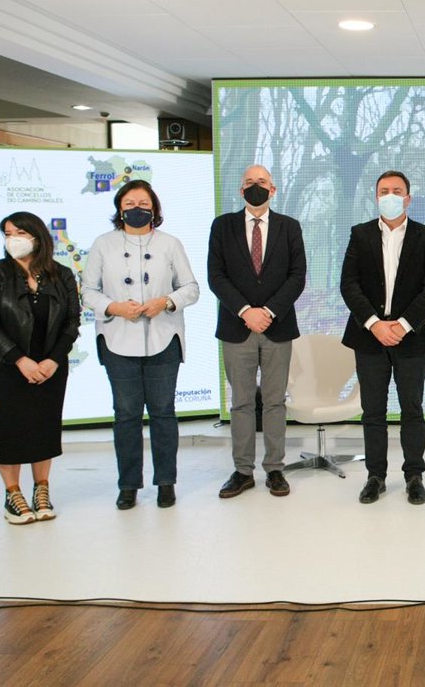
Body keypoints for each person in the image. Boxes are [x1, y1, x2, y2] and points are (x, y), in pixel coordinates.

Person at [82, 180, 200, 510]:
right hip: (117, 341)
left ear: (154, 209)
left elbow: (191, 288)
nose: (137, 209)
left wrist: (166, 301)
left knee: (163, 413)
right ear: (119, 210)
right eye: (130, 204)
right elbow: (88, 291)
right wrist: (113, 307)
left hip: (164, 341)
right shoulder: (103, 244)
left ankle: (166, 482)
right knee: (126, 415)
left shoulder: (170, 243)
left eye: (144, 203)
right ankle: (128, 485)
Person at [340, 170, 425, 505]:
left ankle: (414, 476)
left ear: (408, 198)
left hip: (411, 337)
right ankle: (376, 476)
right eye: (384, 190)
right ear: (376, 197)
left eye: (397, 190)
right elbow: (349, 285)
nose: (390, 196)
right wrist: (375, 324)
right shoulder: (360, 234)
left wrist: (402, 324)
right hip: (369, 336)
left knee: (412, 408)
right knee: (373, 410)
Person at [208, 165, 307, 500]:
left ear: (273, 189)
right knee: (241, 403)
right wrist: (245, 311)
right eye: (249, 182)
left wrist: (267, 312)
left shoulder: (289, 227)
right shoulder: (222, 226)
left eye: (262, 182)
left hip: (278, 327)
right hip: (236, 327)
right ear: (241, 190)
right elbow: (216, 276)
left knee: (275, 402)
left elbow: (297, 276)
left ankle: (275, 469)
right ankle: (242, 471)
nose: (255, 187)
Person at [0, 212, 80, 524]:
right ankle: (13, 494)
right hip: (5, 365)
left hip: (49, 366)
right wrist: (20, 360)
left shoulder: (61, 274)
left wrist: (53, 360)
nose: (13, 239)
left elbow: (72, 322)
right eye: (7, 234)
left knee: (44, 428)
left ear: (37, 237)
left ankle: (41, 490)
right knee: (9, 430)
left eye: (19, 233)